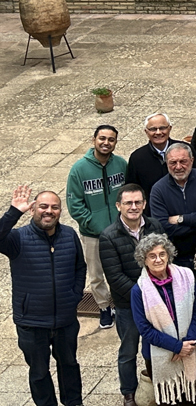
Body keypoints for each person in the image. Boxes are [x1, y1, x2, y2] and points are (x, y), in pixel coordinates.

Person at [0, 185, 93, 406]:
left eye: (54, 207)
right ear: (33, 209)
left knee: (69, 363)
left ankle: (74, 404)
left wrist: (74, 295)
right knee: (39, 369)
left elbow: (79, 266)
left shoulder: (69, 235)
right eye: (43, 206)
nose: (48, 211)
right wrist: (12, 212)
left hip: (64, 317)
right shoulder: (18, 238)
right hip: (31, 320)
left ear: (60, 211)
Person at [130, 234, 196, 406]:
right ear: (144, 259)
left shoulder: (187, 277)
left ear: (169, 255)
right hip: (159, 353)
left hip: (190, 348)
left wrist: (189, 342)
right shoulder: (139, 290)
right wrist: (176, 346)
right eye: (152, 256)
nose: (158, 259)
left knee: (189, 393)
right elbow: (144, 329)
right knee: (167, 398)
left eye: (162, 254)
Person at [99, 184, 164, 406]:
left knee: (154, 347)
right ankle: (128, 390)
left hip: (157, 300)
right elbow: (114, 277)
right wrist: (143, 295)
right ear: (119, 206)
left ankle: (156, 387)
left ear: (144, 204)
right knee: (128, 350)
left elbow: (163, 259)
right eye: (128, 203)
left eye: (138, 202)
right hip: (128, 304)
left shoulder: (154, 226)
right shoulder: (108, 236)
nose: (133, 207)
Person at [66, 124, 126, 328]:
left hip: (120, 230)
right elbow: (74, 204)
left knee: (120, 269)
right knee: (96, 273)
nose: (106, 143)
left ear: (116, 142)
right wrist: (92, 224)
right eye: (102, 138)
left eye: (111, 139)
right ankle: (103, 308)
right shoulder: (79, 169)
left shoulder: (120, 165)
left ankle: (119, 303)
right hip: (93, 234)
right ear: (94, 140)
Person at [150, 143, 196, 269]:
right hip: (177, 257)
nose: (178, 167)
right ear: (166, 163)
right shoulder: (158, 189)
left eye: (183, 161)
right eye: (173, 162)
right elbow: (163, 226)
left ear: (192, 160)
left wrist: (181, 219)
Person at [126, 113, 176, 200]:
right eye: (153, 129)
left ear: (170, 128)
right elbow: (132, 189)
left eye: (162, 128)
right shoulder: (137, 158)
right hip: (152, 210)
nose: (158, 132)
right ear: (146, 132)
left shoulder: (184, 150)